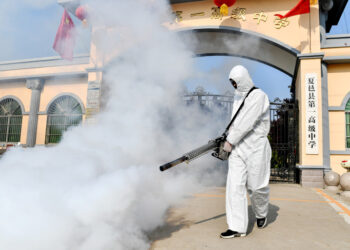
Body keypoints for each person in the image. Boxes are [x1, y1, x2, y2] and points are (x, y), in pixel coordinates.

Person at [220, 65, 271, 239]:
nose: (234, 86)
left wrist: (230, 140)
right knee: (234, 187)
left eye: (236, 82)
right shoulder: (237, 98)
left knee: (256, 187)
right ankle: (236, 227)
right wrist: (229, 139)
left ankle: (261, 212)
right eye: (232, 83)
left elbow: (247, 122)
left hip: (256, 147)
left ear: (244, 78)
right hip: (238, 148)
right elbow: (236, 124)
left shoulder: (259, 96)